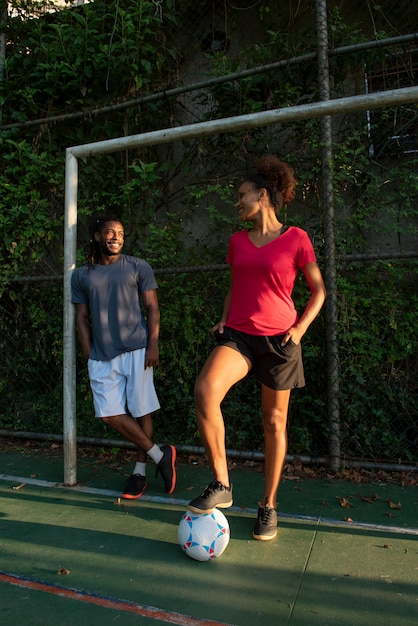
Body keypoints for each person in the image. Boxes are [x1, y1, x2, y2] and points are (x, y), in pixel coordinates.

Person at [188, 156, 326, 540]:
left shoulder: (296, 238)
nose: (237, 202)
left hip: (281, 340)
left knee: (274, 423)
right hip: (239, 336)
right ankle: (222, 483)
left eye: (242, 194)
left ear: (262, 194)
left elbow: (319, 291)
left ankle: (268, 505)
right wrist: (223, 317)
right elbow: (236, 285)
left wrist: (299, 329)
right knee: (205, 390)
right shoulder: (237, 242)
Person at [71, 213, 176, 499]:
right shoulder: (81, 275)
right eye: (110, 232)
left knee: (141, 411)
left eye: (120, 232)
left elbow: (152, 307)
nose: (116, 236)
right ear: (97, 236)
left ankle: (139, 473)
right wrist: (88, 351)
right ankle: (160, 455)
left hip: (137, 349)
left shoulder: (138, 267)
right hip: (101, 356)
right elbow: (81, 317)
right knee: (109, 414)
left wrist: (152, 344)